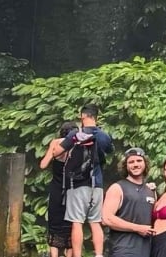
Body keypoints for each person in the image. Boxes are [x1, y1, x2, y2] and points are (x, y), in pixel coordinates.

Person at [60, 104, 116, 257]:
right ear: (96, 117)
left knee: (76, 222)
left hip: (77, 183)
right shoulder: (103, 135)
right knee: (95, 221)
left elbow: (59, 150)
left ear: (83, 116)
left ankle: (77, 255)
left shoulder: (75, 133)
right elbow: (110, 150)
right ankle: (99, 254)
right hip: (96, 184)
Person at [101, 148, 157, 257]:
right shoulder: (117, 188)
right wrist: (137, 228)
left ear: (145, 163)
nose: (135, 164)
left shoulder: (150, 191)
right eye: (131, 162)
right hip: (123, 250)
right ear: (125, 166)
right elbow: (106, 218)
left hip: (147, 251)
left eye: (139, 161)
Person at [40, 121, 78, 257]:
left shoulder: (56, 143)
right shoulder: (79, 144)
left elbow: (43, 164)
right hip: (74, 188)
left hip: (56, 187)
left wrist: (54, 152)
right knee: (73, 222)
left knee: (54, 221)